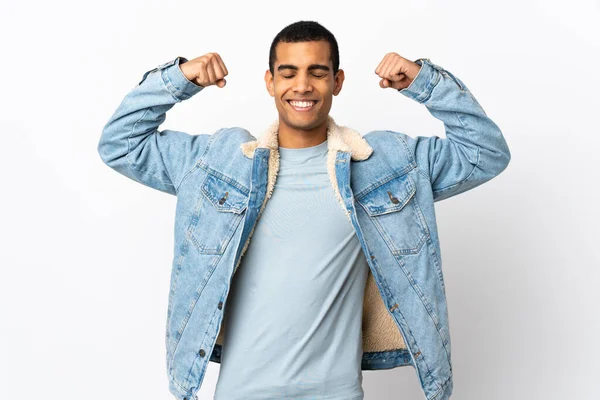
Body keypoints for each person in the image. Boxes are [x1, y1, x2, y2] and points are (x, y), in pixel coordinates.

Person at [98, 20, 510, 400]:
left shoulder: (383, 165)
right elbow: (120, 145)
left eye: (317, 72)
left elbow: (485, 154)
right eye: (289, 72)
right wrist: (178, 79)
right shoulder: (218, 163)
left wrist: (425, 82)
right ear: (270, 81)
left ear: (337, 81)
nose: (303, 86)